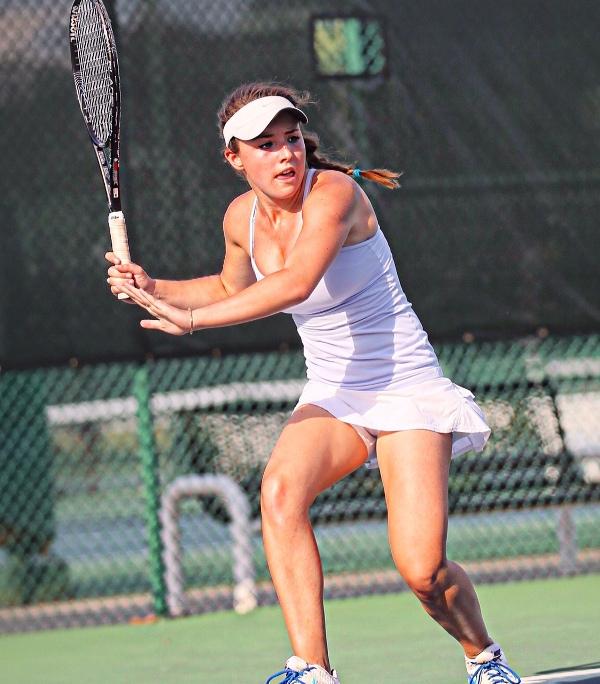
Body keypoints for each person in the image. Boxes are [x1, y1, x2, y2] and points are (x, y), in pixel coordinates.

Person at [106, 82, 521, 684]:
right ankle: (312, 669)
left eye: (292, 139)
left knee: (422, 569)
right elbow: (228, 288)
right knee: (279, 493)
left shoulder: (336, 194)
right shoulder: (240, 218)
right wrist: (151, 285)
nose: (285, 155)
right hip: (334, 392)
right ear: (235, 157)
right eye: (266, 144)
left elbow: (295, 283)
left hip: (404, 386)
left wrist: (191, 322)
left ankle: (483, 656)